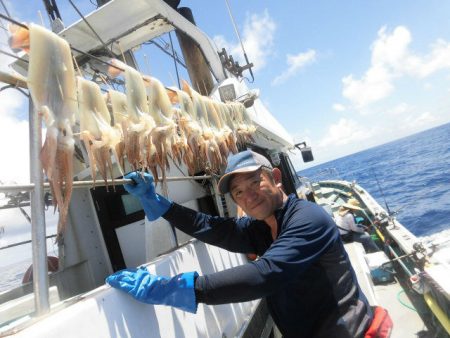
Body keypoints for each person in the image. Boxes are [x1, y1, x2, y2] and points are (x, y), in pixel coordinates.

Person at [106, 150, 373, 337]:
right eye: (238, 192)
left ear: (276, 179)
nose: (249, 196)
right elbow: (212, 228)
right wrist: (158, 203)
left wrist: (171, 288)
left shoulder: (308, 218)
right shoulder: (262, 226)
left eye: (255, 182)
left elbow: (266, 274)